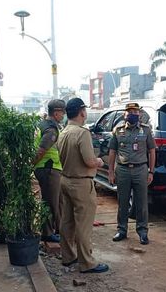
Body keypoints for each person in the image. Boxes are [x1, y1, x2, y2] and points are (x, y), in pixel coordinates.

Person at [57, 98, 109, 274]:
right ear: (81, 112)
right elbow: (89, 161)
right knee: (83, 224)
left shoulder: (63, 132)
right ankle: (87, 263)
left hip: (65, 180)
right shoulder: (82, 133)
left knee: (67, 221)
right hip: (81, 183)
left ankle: (68, 256)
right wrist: (100, 162)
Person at [108, 102, 156, 245]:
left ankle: (142, 231)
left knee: (141, 202)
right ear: (125, 114)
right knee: (122, 202)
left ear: (139, 114)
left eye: (135, 112)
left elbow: (152, 151)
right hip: (122, 170)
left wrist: (151, 171)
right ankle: (121, 230)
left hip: (140, 170)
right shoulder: (118, 130)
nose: (133, 114)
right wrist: (111, 171)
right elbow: (112, 151)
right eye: (130, 112)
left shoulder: (146, 131)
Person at [33, 99, 66, 243]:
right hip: (48, 168)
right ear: (57, 112)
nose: (64, 115)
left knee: (58, 201)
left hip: (50, 168)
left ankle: (58, 229)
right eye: (62, 112)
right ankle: (47, 232)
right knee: (50, 202)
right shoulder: (51, 129)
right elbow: (41, 150)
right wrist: (31, 164)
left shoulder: (43, 124)